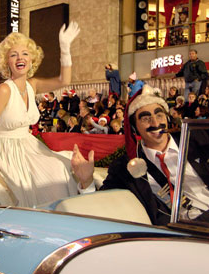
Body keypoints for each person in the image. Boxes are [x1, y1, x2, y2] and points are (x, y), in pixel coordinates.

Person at [0, 22, 80, 207]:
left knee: (60, 167)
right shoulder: (3, 90)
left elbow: (64, 80)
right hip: (5, 149)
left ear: (32, 60)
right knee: (31, 183)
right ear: (7, 62)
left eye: (25, 54)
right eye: (14, 55)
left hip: (28, 145)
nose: (20, 58)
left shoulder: (33, 84)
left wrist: (65, 48)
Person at [71, 84, 209, 225]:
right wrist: (87, 182)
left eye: (159, 115)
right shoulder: (123, 168)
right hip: (178, 236)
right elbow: (104, 205)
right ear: (134, 128)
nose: (155, 123)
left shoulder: (198, 139)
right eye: (145, 118)